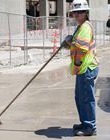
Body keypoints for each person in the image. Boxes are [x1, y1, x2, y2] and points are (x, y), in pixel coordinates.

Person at [63, 0, 99, 136]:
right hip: (83, 68)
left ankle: (90, 127)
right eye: (74, 13)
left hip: (86, 67)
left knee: (86, 98)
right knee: (80, 97)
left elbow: (82, 49)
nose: (77, 15)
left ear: (86, 13)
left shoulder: (85, 27)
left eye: (80, 12)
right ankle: (85, 122)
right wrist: (69, 40)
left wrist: (77, 63)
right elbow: (76, 43)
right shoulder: (81, 26)